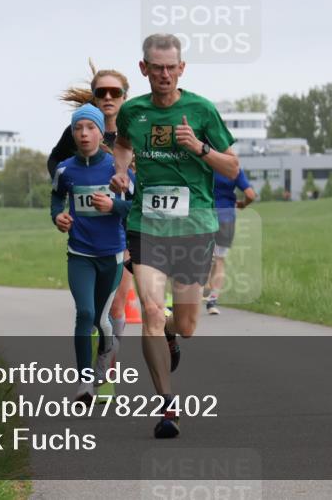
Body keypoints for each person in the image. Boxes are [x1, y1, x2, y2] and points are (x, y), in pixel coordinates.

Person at [110, 33, 239, 438]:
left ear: (181, 69)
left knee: (184, 324)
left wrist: (199, 147)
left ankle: (171, 334)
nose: (164, 74)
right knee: (149, 310)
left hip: (194, 228)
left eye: (172, 67)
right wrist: (120, 170)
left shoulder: (201, 110)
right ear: (143, 68)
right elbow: (124, 145)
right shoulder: (133, 112)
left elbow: (232, 168)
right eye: (157, 66)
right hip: (146, 226)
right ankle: (168, 407)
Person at [48, 61, 136, 345]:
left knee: (124, 306)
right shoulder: (80, 130)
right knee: (106, 309)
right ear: (95, 96)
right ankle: (104, 365)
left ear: (125, 96)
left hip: (130, 224)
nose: (108, 97)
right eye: (102, 92)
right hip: (93, 232)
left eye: (115, 92)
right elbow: (56, 163)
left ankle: (108, 361)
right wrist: (70, 191)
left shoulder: (136, 130)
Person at [52, 104, 133, 404]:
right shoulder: (66, 170)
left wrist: (114, 206)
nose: (84, 134)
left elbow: (137, 208)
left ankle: (105, 353)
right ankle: (84, 382)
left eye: (90, 128)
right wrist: (57, 218)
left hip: (111, 256)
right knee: (84, 314)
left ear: (102, 132)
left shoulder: (117, 169)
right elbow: (56, 199)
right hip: (79, 253)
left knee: (102, 320)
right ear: (73, 134)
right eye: (78, 128)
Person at [206, 169, 256, 315]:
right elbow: (250, 195)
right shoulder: (233, 168)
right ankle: (212, 300)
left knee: (204, 258)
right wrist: (243, 204)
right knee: (220, 260)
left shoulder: (205, 164)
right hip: (227, 218)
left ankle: (204, 287)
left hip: (205, 216)